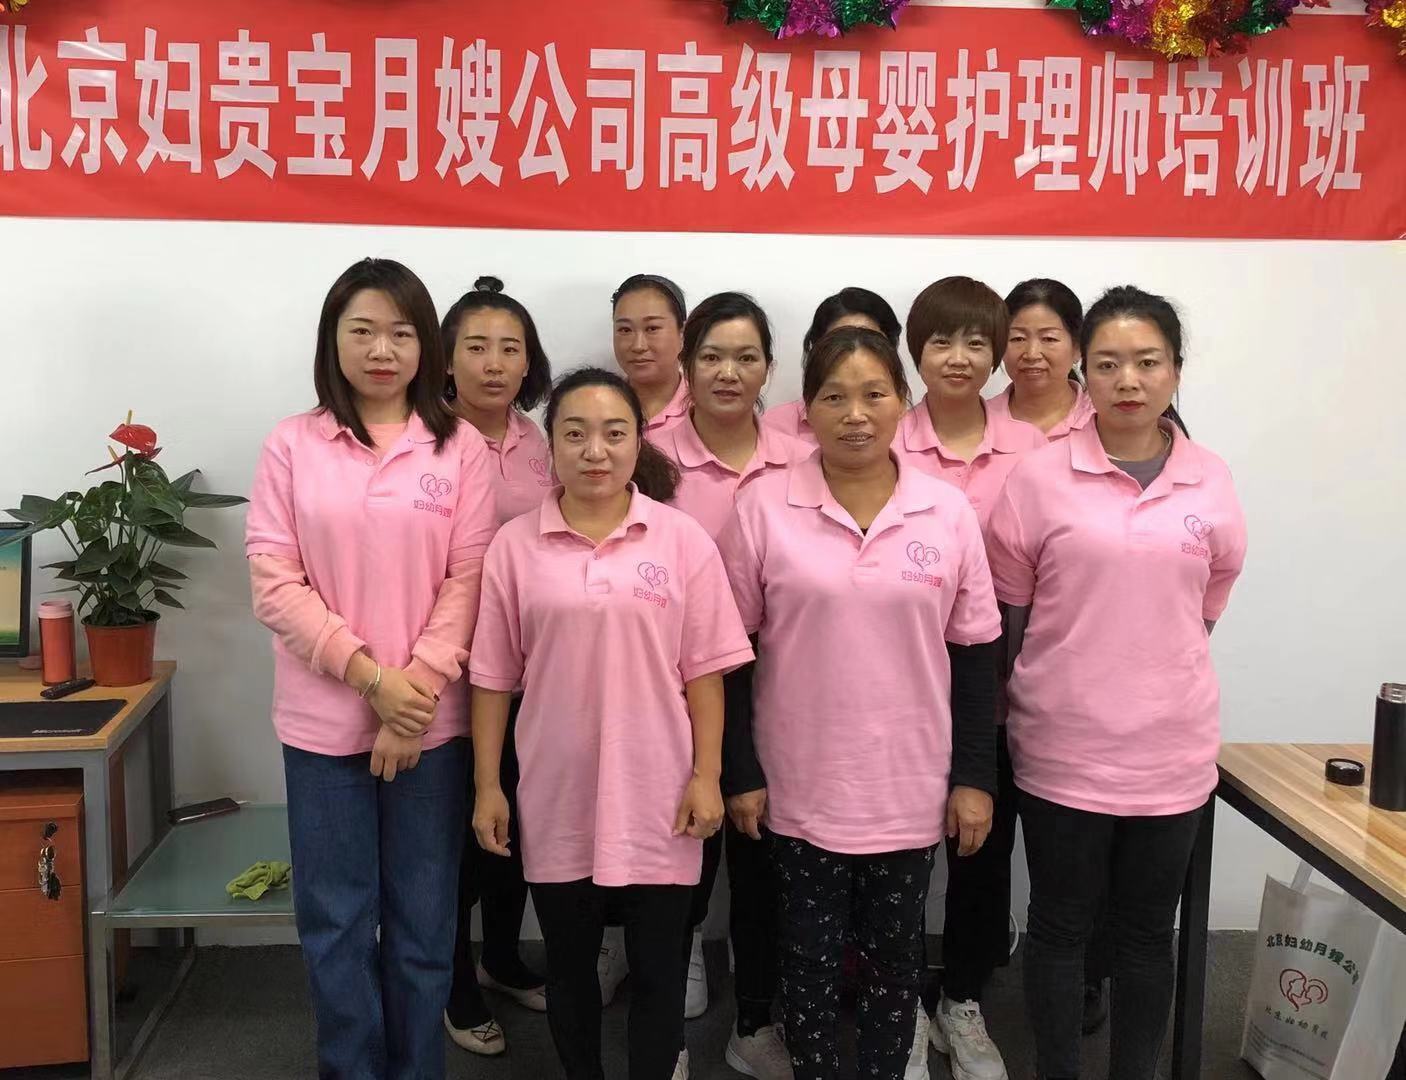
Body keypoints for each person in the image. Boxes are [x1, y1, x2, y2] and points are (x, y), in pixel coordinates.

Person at [717, 327, 1001, 1080]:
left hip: (909, 783)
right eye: (834, 397)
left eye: (874, 394)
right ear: (806, 408)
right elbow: (729, 653)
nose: (855, 414)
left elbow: (976, 657)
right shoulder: (763, 507)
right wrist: (740, 771)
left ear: (902, 402)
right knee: (806, 960)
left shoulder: (946, 512)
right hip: (799, 781)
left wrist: (974, 777)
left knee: (895, 959)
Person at [986, 287, 1247, 1080]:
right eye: (1107, 364)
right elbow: (1013, 615)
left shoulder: (1210, 478)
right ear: (1083, 372)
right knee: (1059, 927)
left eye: (1147, 362)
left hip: (1171, 753)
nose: (1128, 380)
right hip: (1063, 747)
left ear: (1175, 370)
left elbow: (1204, 606)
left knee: (1145, 934)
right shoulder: (1038, 478)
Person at [246, 257, 498, 1079]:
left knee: (425, 926)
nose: (382, 350)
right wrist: (372, 681)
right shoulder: (293, 444)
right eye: (362, 331)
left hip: (430, 726)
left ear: (426, 346)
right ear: (334, 341)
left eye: (400, 332)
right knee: (336, 925)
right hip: (324, 730)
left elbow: (470, 579)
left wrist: (410, 694)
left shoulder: (459, 448)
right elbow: (275, 583)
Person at [469, 367, 753, 1080]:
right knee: (570, 970)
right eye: (575, 433)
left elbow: (706, 673)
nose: (595, 450)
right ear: (552, 446)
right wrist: (488, 786)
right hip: (556, 792)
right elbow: (493, 679)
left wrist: (708, 776)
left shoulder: (681, 540)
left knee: (660, 972)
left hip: (662, 793)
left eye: (614, 433)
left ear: (638, 441)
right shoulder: (515, 547)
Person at [650, 292, 808, 1080]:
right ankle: (666, 1035)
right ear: (686, 365)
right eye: (711, 356)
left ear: (768, 368)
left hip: (776, 686)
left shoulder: (800, 456)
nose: (728, 372)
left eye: (747, 357)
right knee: (678, 860)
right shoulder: (648, 456)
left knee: (760, 863)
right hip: (670, 688)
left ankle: (755, 1021)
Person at [893, 277, 1046, 1080]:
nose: (959, 357)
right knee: (897, 858)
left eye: (977, 342)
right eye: (942, 341)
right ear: (915, 350)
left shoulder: (1031, 447)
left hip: (996, 681)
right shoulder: (884, 433)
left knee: (982, 852)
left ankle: (962, 998)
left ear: (997, 355)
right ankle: (901, 1009)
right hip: (899, 685)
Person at [439, 275, 554, 1055]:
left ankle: (505, 958)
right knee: (453, 843)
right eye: (476, 347)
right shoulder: (425, 440)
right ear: (446, 360)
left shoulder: (539, 440)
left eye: (510, 348)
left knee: (517, 825)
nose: (493, 364)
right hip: (450, 676)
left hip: (530, 676)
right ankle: (454, 983)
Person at [761, 287, 902, 448]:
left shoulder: (907, 429)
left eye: (870, 340)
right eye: (839, 341)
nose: (855, 349)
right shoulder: (773, 426)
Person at [988, 279, 1094, 440]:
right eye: (1018, 338)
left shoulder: (1104, 418)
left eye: (1049, 339)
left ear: (1077, 348)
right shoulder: (980, 422)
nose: (1032, 354)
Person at [613, 273, 691, 434]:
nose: (638, 346)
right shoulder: (599, 405)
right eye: (625, 330)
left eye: (652, 328)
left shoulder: (706, 408)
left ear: (682, 333)